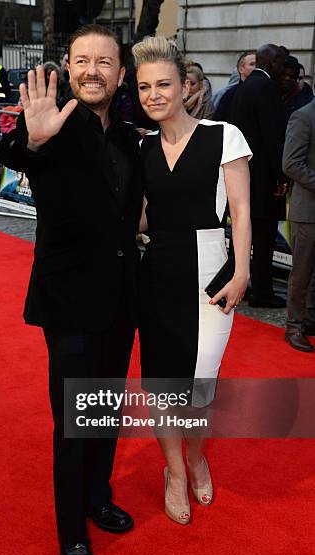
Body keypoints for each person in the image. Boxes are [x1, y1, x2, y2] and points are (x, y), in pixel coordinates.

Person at [0, 24, 143, 555]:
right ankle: (72, 534)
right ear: (67, 64)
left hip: (120, 302)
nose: (92, 70)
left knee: (106, 409)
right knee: (74, 422)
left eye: (105, 62)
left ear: (120, 74)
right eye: (82, 60)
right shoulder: (50, 124)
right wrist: (31, 140)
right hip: (68, 303)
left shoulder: (131, 137)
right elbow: (14, 153)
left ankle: (98, 497)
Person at [132, 37, 251, 524]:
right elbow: (140, 219)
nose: (154, 94)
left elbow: (242, 212)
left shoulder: (225, 135)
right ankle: (175, 472)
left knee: (202, 383)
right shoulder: (141, 147)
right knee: (161, 383)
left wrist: (242, 271)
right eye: (144, 87)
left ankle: (197, 456)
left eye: (163, 84)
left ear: (186, 86)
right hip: (156, 271)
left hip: (210, 271)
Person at [230, 44, 288, 308]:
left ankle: (237, 283)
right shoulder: (265, 88)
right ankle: (261, 292)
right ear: (273, 63)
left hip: (245, 174)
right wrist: (280, 176)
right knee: (263, 238)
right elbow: (273, 137)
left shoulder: (244, 87)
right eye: (282, 64)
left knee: (243, 233)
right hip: (263, 179)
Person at [283, 99, 315, 352]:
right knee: (302, 272)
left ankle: (310, 319)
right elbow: (291, 163)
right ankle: (294, 325)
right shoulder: (303, 116)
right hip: (307, 211)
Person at [214, 52, 256, 121]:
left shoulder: (263, 91)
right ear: (241, 69)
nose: (256, 68)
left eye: (258, 64)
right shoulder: (230, 94)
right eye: (252, 64)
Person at [280, 56, 314, 123]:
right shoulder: (269, 95)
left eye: (292, 76)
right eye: (283, 75)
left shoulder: (307, 102)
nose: (287, 78)